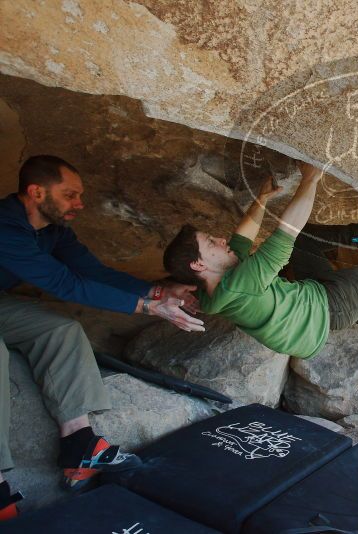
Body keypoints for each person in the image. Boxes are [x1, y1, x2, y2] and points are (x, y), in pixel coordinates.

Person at [0, 155, 205, 518]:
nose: (79, 203)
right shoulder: (5, 225)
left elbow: (91, 271)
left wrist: (158, 293)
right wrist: (146, 308)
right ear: (36, 192)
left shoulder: (54, 231)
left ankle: (79, 443)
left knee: (61, 329)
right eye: (70, 195)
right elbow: (64, 284)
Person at [163, 161, 358, 359]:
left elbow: (242, 237)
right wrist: (311, 179)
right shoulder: (240, 284)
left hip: (311, 296)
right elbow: (286, 232)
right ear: (198, 265)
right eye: (210, 243)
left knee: (306, 241)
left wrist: (263, 199)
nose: (221, 240)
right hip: (332, 308)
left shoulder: (210, 287)